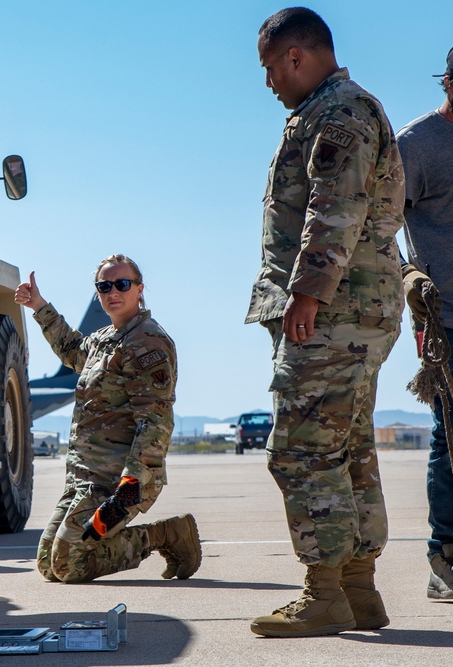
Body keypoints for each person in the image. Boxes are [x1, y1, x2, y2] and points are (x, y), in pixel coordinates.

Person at [245, 8, 404, 637]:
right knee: (348, 449)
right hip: (357, 308)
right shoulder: (336, 110)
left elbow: (333, 207)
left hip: (334, 310)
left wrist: (306, 296)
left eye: (269, 68)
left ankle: (324, 592)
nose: (268, 84)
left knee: (301, 450)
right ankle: (359, 591)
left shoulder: (337, 112)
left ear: (294, 57)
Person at [14, 254, 201, 584]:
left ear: (140, 289)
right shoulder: (105, 339)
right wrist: (39, 306)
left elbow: (155, 421)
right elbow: (72, 350)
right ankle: (161, 535)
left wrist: (132, 485)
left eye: (122, 284)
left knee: (69, 564)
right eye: (104, 286)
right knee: (48, 563)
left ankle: (166, 535)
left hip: (118, 482)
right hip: (86, 478)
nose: (112, 292)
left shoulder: (146, 342)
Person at [397, 46, 453, 601]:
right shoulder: (416, 144)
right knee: (450, 434)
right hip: (445, 318)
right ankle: (446, 557)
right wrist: (407, 275)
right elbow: (377, 224)